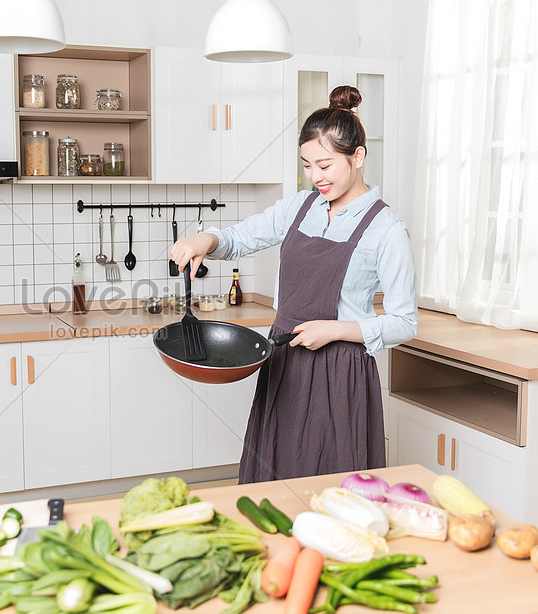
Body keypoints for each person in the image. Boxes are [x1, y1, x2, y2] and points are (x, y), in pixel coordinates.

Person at [170, 86, 418, 483]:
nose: (315, 177)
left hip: (340, 370)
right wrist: (206, 240)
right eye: (307, 166)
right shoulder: (299, 207)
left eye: (325, 165)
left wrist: (335, 330)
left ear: (358, 157)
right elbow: (241, 237)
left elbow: (405, 321)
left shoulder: (386, 229)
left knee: (332, 483)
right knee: (274, 474)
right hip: (284, 359)